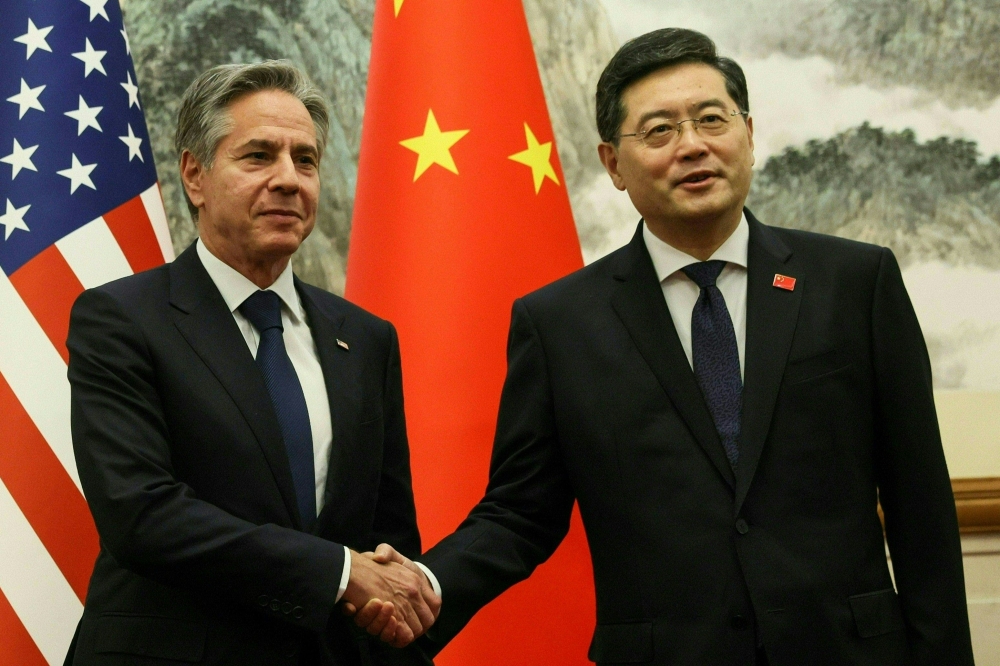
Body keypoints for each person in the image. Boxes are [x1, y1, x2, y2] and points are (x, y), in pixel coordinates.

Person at [366, 28, 975, 665]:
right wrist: (424, 589)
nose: (693, 146)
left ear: (748, 134)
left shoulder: (855, 283)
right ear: (612, 164)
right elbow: (521, 514)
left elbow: (920, 503)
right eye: (659, 131)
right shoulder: (561, 323)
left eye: (712, 120)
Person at [65, 61, 439, 665]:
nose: (289, 179)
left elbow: (387, 538)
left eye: (306, 160)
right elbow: (141, 514)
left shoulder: (366, 338)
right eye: (259, 156)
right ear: (195, 175)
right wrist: (338, 573)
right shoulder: (121, 320)